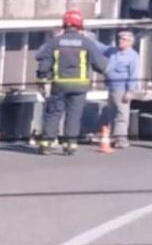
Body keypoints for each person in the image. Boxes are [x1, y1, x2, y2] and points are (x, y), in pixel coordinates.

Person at [35, 10, 108, 155]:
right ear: (80, 25)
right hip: (80, 86)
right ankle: (70, 145)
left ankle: (46, 144)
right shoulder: (87, 43)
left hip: (59, 84)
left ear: (64, 24)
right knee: (74, 114)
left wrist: (42, 79)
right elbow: (101, 65)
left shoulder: (55, 42)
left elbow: (42, 60)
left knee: (54, 113)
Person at [100, 30, 140, 149]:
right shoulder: (113, 52)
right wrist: (86, 37)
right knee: (112, 113)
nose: (121, 41)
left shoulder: (133, 56)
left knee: (121, 114)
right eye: (120, 39)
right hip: (111, 87)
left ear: (130, 42)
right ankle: (113, 137)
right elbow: (101, 47)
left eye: (124, 39)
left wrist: (130, 91)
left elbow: (134, 74)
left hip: (122, 88)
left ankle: (121, 139)